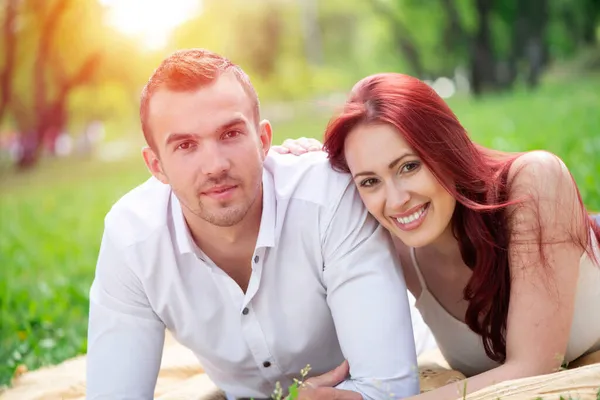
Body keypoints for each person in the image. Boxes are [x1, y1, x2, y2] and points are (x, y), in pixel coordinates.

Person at [85, 49, 431, 400]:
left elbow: (389, 389)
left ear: (263, 140)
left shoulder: (328, 198)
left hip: (412, 363)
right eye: (186, 145)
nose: (215, 165)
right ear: (156, 165)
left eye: (231, 134)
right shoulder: (132, 239)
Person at [272, 72, 600, 399]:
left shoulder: (534, 182)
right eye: (370, 181)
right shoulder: (392, 243)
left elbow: (532, 368)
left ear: (445, 148)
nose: (397, 200)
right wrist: (308, 174)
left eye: (408, 166)